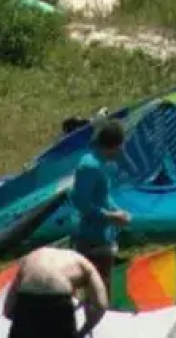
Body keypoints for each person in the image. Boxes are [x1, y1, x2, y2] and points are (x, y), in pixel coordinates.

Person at [70, 120, 131, 290]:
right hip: (90, 237)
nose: (122, 150)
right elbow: (81, 202)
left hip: (104, 235)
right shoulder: (90, 166)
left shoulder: (104, 164)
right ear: (114, 146)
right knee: (98, 289)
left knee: (105, 286)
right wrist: (110, 216)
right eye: (121, 145)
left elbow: (104, 195)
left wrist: (117, 211)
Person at [1, 245, 107, 338]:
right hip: (59, 300)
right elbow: (101, 304)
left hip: (28, 296)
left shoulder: (32, 256)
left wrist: (26, 322)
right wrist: (83, 331)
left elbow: (7, 310)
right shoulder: (85, 264)